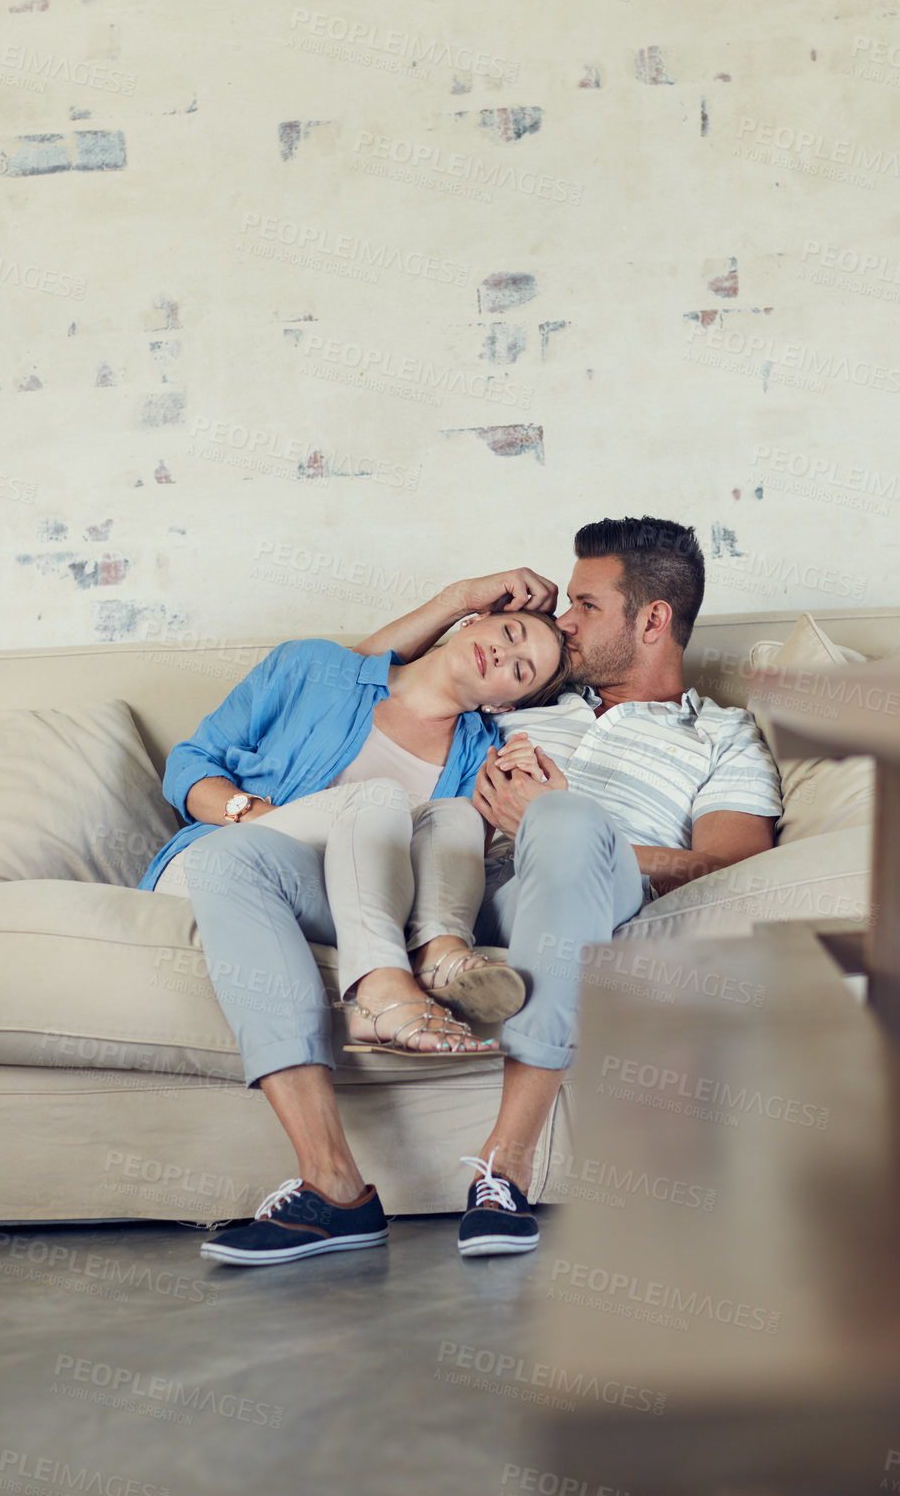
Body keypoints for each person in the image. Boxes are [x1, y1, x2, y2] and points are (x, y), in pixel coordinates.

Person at [357, 517, 783, 1258]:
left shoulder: (721, 735)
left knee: (567, 822)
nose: (562, 622)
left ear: (653, 620)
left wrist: (552, 824)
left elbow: (727, 864)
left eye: (586, 605)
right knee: (555, 821)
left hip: (602, 885)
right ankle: (506, 1173)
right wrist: (459, 599)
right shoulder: (520, 697)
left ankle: (507, 1160)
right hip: (479, 890)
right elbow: (353, 684)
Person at [137, 591, 569, 1265]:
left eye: (521, 670)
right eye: (509, 632)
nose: (505, 653)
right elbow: (190, 764)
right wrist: (256, 817)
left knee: (453, 818)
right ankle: (387, 986)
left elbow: (456, 857)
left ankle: (438, 963)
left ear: (506, 704)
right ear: (471, 620)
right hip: (223, 860)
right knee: (377, 799)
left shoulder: (482, 753)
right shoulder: (315, 669)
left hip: (334, 908)